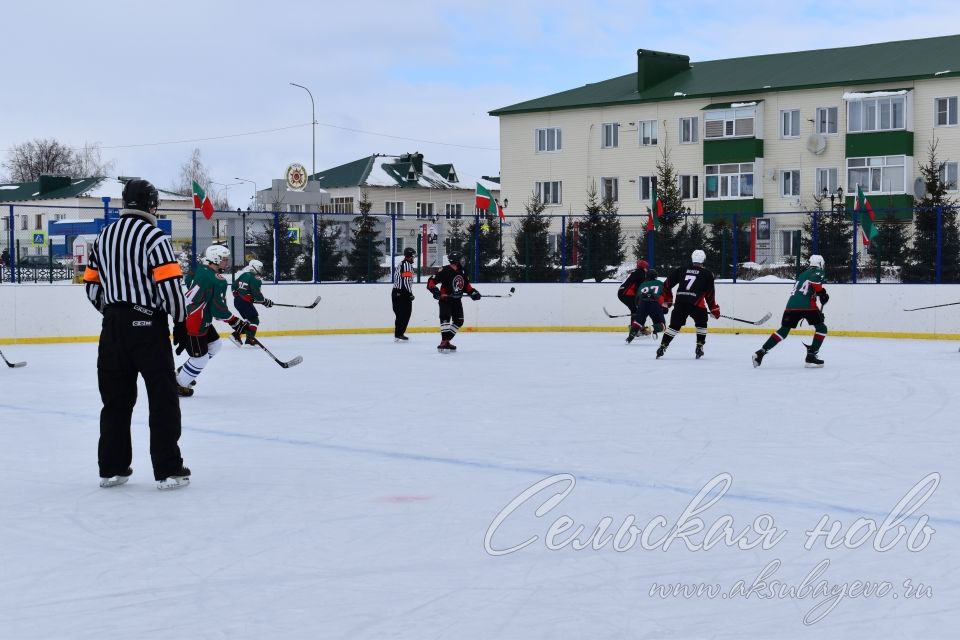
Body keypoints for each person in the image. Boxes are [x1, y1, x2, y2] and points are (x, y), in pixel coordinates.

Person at [82, 178, 191, 490]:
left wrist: (114, 311)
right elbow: (169, 286)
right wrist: (181, 320)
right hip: (148, 327)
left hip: (113, 329)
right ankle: (169, 469)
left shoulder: (104, 237)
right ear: (150, 204)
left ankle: (112, 469)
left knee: (115, 400)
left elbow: (91, 285)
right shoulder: (155, 238)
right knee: (162, 398)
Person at [173, 245, 250, 394]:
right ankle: (178, 384)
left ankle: (187, 371)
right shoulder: (217, 280)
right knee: (200, 359)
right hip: (196, 323)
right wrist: (236, 322)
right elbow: (218, 310)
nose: (227, 263)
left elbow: (189, 280)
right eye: (224, 260)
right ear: (215, 259)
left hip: (197, 317)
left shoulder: (201, 269)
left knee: (215, 345)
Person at [753, 254, 829, 368]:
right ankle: (811, 355)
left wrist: (819, 295)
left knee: (783, 331)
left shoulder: (803, 274)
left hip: (791, 306)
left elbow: (805, 289)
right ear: (820, 264)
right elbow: (814, 281)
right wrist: (822, 292)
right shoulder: (818, 271)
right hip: (808, 307)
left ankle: (761, 352)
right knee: (822, 328)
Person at [656, 249, 720, 360]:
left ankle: (663, 346)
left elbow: (666, 285)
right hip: (697, 303)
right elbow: (709, 295)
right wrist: (714, 309)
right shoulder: (707, 274)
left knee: (674, 326)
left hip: (681, 302)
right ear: (703, 260)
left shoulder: (682, 270)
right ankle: (699, 346)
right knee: (701, 323)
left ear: (692, 259)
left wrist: (668, 299)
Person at [426, 251, 480, 352]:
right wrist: (436, 292)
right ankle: (444, 342)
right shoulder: (444, 270)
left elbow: (466, 286)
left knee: (459, 321)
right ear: (456, 260)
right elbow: (431, 282)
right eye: (461, 259)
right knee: (445, 319)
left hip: (457, 301)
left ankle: (445, 341)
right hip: (445, 300)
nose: (463, 261)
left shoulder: (462, 271)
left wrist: (473, 293)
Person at [231, 259, 272, 345]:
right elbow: (257, 295)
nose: (261, 270)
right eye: (260, 268)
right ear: (254, 267)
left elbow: (234, 286)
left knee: (250, 320)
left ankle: (239, 336)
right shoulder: (255, 279)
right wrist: (265, 301)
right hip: (244, 303)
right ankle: (247, 338)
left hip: (237, 301)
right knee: (255, 320)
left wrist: (238, 295)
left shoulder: (244, 275)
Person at [627, 269, 667, 343]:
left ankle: (629, 338)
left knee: (638, 323)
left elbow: (637, 299)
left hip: (643, 303)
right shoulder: (660, 283)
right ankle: (651, 328)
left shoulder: (643, 284)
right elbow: (664, 295)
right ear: (656, 276)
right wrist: (664, 307)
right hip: (654, 304)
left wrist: (639, 309)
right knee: (662, 325)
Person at [618, 259, 649, 339]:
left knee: (638, 309)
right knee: (636, 310)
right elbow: (639, 287)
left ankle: (638, 327)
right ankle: (634, 329)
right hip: (626, 294)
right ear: (644, 267)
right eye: (646, 267)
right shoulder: (641, 273)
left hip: (623, 293)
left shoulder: (637, 272)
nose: (647, 268)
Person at [392, 247, 416, 341]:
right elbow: (405, 281)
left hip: (397, 291)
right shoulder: (406, 265)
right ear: (410, 256)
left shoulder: (403, 264)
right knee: (405, 313)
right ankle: (399, 333)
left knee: (400, 314)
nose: (414, 257)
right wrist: (410, 293)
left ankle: (398, 333)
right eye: (413, 255)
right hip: (402, 292)